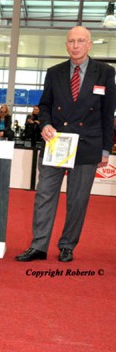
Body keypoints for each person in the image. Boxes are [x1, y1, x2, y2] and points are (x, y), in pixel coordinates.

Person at [15, 26, 116, 263]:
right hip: (56, 144)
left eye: (81, 41)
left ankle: (67, 246)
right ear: (66, 44)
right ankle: (38, 246)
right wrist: (45, 125)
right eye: (71, 41)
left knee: (77, 200)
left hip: (87, 145)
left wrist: (105, 149)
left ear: (89, 44)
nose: (76, 45)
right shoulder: (54, 72)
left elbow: (107, 112)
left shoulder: (105, 72)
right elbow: (45, 106)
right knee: (44, 195)